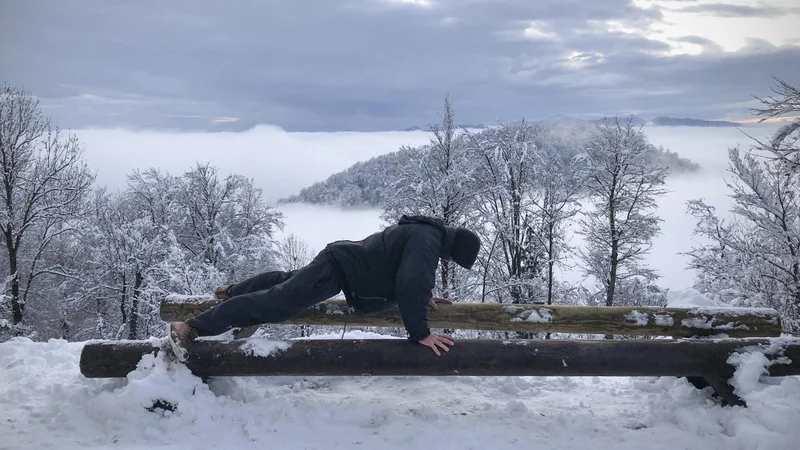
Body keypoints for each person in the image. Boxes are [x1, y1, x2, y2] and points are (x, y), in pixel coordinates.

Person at [166, 215, 481, 360]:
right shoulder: (427, 241)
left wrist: (423, 297)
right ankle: (191, 328)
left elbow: (405, 269)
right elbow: (412, 279)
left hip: (340, 261)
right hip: (340, 269)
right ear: (454, 250)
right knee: (278, 303)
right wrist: (421, 334)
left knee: (285, 282)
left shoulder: (427, 233)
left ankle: (233, 291)